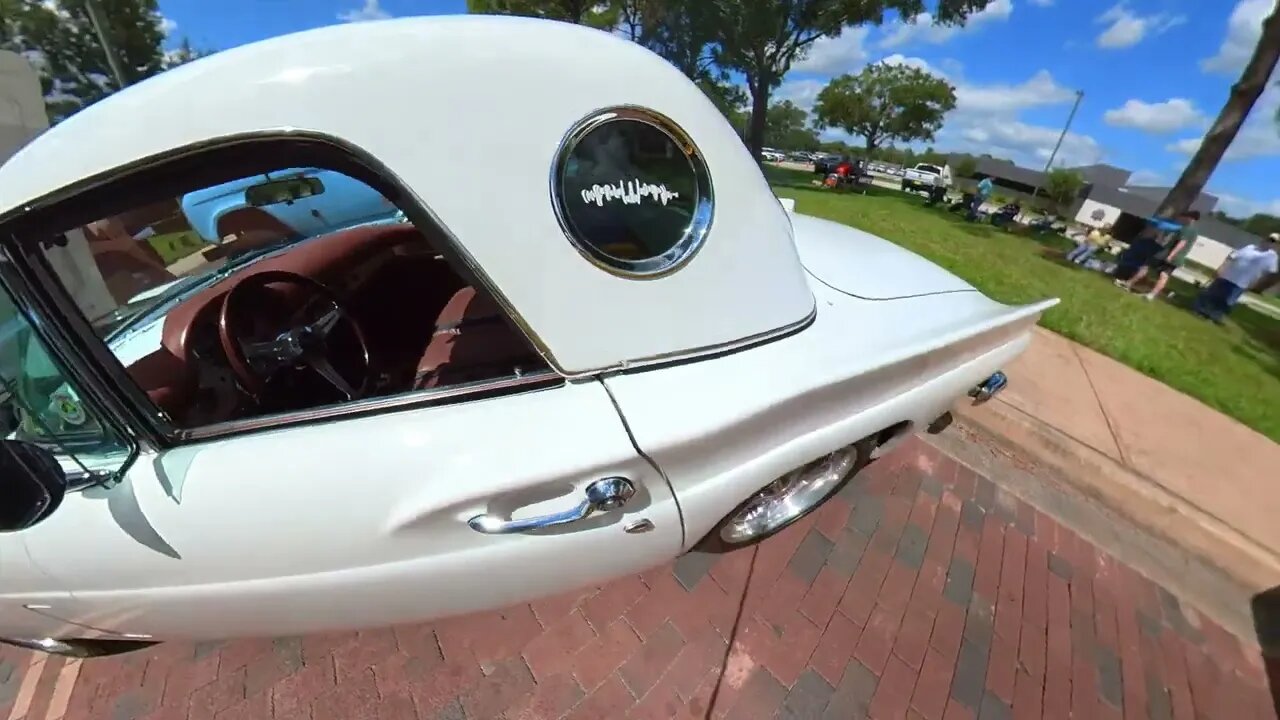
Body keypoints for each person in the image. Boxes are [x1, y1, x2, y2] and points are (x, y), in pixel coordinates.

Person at [1192, 233, 1280, 323]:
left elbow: (1270, 273)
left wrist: (1257, 284)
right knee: (1211, 294)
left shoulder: (1272, 257)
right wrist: (1221, 268)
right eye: (1269, 239)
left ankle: (1213, 317)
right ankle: (1199, 310)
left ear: (1276, 245)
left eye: (1273, 241)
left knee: (1227, 301)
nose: (1269, 242)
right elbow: (1232, 257)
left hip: (1241, 283)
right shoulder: (1250, 247)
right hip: (1226, 276)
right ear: (1264, 238)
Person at [1115, 209, 1200, 300]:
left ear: (1190, 218)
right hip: (1178, 258)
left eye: (1183, 217)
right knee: (1164, 275)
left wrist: (1171, 255)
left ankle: (1128, 283)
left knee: (1145, 266)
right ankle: (1151, 295)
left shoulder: (1186, 228)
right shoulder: (1194, 231)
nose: (1181, 219)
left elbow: (1182, 243)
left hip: (1167, 254)